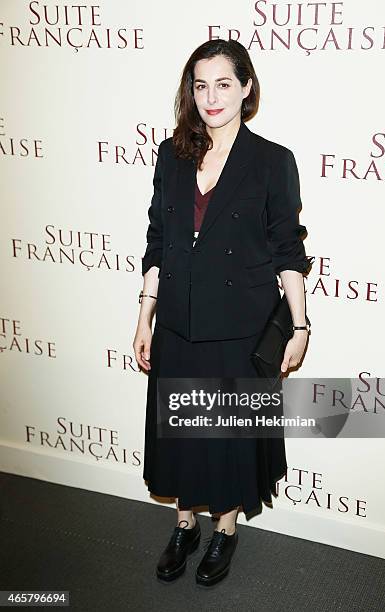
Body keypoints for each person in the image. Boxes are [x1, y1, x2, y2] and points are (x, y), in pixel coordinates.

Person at [133, 39, 313, 587]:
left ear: (247, 88)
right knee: (182, 433)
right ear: (191, 91)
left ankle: (225, 531)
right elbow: (159, 239)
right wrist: (145, 316)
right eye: (200, 84)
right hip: (180, 321)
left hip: (241, 326)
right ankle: (185, 525)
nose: (211, 97)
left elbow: (288, 249)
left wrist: (300, 324)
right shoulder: (172, 154)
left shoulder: (272, 161)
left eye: (224, 83)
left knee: (228, 436)